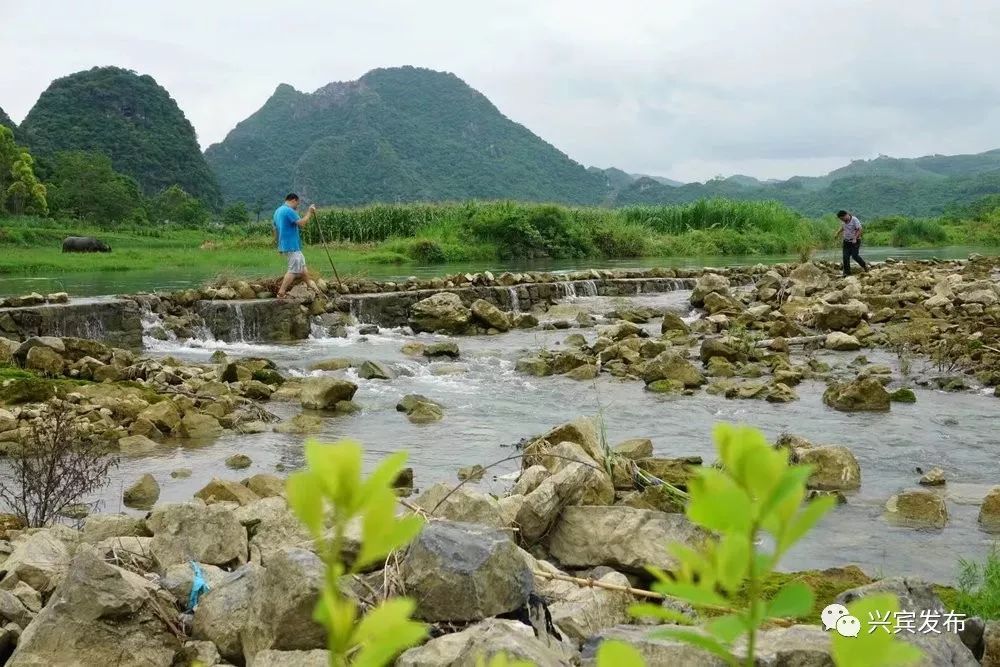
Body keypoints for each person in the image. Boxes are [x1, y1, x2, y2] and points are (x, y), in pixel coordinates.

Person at [273, 193, 318, 298]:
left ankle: (312, 287)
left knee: (302, 267)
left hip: (287, 245)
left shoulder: (277, 211)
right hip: (291, 245)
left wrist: (278, 244)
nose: (297, 206)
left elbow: (275, 229)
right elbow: (302, 223)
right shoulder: (288, 210)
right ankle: (281, 292)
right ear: (293, 200)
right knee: (293, 270)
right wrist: (310, 212)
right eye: (297, 203)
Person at [834, 209, 868, 276]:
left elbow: (859, 229)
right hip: (846, 241)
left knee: (855, 256)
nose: (842, 220)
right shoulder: (843, 222)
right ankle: (847, 273)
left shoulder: (854, 220)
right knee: (845, 257)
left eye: (842, 218)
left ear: (846, 215)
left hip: (855, 241)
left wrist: (855, 238)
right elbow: (843, 227)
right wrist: (837, 233)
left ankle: (864, 266)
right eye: (841, 219)